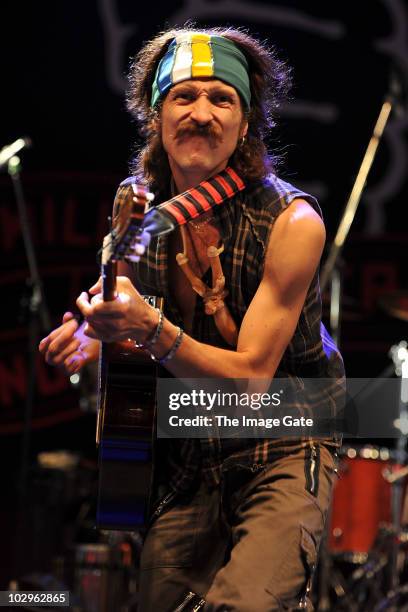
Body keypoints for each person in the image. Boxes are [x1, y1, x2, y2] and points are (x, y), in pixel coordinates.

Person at [39, 26, 345, 611]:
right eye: (184, 96)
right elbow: (120, 289)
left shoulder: (293, 221)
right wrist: (91, 327)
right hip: (185, 456)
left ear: (245, 122)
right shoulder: (140, 209)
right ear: (156, 116)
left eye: (221, 98)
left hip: (282, 442)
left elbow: (252, 383)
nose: (201, 113)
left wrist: (148, 330)